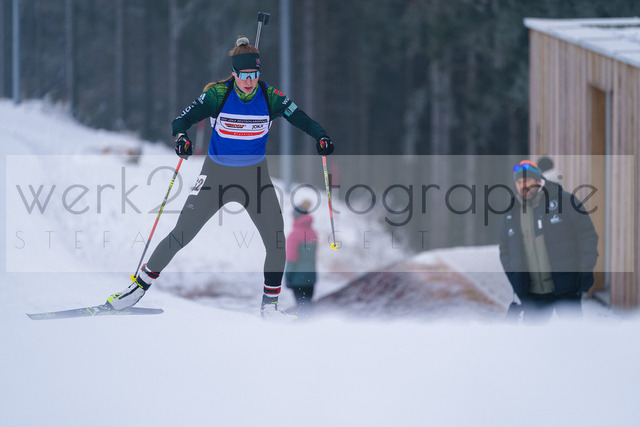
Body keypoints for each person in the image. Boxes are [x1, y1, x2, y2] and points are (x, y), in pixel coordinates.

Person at [106, 36, 334, 318]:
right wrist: (181, 138)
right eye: (244, 75)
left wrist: (321, 136)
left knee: (276, 241)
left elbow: (302, 119)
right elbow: (181, 121)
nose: (249, 81)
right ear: (234, 73)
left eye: (254, 74)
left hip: (255, 177)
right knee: (182, 233)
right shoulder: (217, 95)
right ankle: (137, 288)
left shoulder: (271, 97)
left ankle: (269, 307)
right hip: (216, 176)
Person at [499, 160, 598, 323]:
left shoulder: (565, 202)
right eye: (519, 182)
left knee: (572, 335)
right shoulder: (513, 213)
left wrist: (585, 270)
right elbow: (505, 249)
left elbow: (587, 235)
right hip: (533, 295)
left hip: (566, 288)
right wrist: (517, 281)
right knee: (534, 338)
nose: (523, 186)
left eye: (527, 180)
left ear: (538, 181)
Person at [285, 200, 318, 313]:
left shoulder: (294, 235)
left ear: (296, 216)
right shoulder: (313, 233)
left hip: (298, 278)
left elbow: (291, 258)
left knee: (301, 308)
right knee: (308, 306)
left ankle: (304, 323)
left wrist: (288, 277)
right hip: (311, 277)